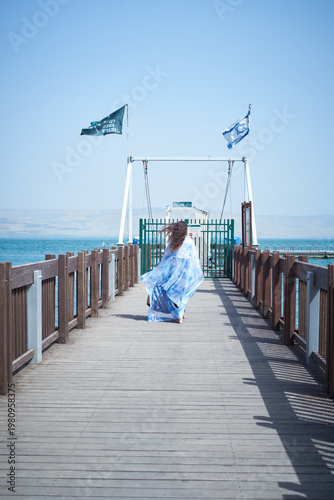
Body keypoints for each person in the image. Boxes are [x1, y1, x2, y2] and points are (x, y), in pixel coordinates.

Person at [141, 221, 204, 323]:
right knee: (182, 293)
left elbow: (166, 258)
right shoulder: (189, 242)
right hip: (185, 273)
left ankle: (179, 314)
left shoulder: (172, 242)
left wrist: (159, 269)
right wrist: (198, 271)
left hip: (172, 273)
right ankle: (180, 314)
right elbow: (194, 258)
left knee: (171, 293)